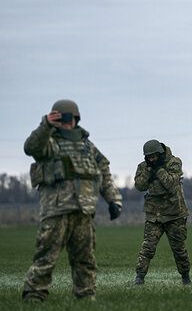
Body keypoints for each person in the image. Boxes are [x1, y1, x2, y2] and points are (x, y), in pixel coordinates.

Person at [22, 99, 123, 302]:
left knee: (85, 258)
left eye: (70, 118)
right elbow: (31, 148)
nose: (67, 123)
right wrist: (46, 125)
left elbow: (104, 171)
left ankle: (86, 295)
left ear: (77, 119)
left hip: (84, 212)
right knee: (47, 256)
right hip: (56, 211)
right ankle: (34, 294)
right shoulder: (49, 142)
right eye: (62, 118)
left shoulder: (88, 147)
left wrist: (114, 200)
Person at [132, 139, 191, 285]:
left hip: (175, 214)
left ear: (160, 153)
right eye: (149, 157)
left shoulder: (174, 163)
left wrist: (159, 169)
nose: (151, 159)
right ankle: (139, 277)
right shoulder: (144, 167)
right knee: (147, 247)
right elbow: (139, 186)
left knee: (179, 249)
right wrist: (149, 170)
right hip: (155, 215)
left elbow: (171, 184)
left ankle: (185, 276)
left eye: (154, 156)